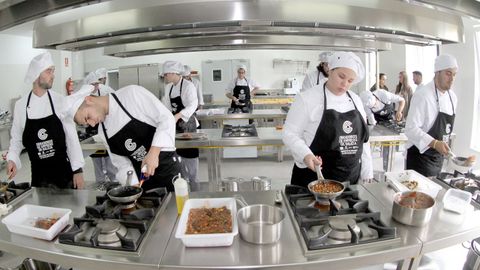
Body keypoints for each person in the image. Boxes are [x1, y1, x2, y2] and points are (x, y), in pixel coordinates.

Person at [283, 52, 373, 187]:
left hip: (350, 179)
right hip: (314, 178)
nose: (344, 84)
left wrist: (367, 172)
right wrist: (305, 154)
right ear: (330, 70)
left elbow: (363, 140)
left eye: (350, 81)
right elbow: (289, 133)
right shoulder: (307, 98)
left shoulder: (356, 100)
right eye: (341, 76)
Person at [71, 84, 181, 191]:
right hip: (141, 179)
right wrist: (133, 187)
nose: (92, 124)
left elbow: (167, 119)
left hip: (166, 168)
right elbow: (122, 163)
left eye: (87, 117)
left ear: (89, 100)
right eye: (87, 124)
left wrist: (153, 153)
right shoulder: (103, 131)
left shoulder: (131, 94)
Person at [7, 52, 85, 189]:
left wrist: (78, 170)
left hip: (64, 176)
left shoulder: (60, 101)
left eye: (53, 71)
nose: (53, 75)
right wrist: (12, 159)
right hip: (39, 178)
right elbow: (17, 139)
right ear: (36, 75)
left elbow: (71, 137)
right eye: (49, 71)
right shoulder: (21, 106)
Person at [405, 54, 458, 177]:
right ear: (437, 72)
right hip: (420, 158)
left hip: (438, 158)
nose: (452, 79)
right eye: (448, 73)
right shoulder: (423, 95)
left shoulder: (453, 98)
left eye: (454, 74)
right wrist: (434, 143)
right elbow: (410, 129)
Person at [162, 61, 200, 189]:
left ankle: (194, 184)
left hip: (187, 124)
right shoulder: (168, 87)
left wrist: (178, 116)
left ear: (173, 73)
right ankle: (184, 183)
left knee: (190, 156)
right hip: (174, 125)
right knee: (178, 155)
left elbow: (193, 104)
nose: (165, 77)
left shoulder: (188, 86)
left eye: (166, 74)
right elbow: (166, 106)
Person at [84, 69, 118, 183]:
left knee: (108, 155)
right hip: (92, 130)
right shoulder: (83, 95)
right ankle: (100, 182)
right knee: (96, 158)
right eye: (93, 84)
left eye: (97, 84)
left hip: (104, 127)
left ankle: (113, 180)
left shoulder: (104, 91)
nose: (95, 86)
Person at [360, 90, 405, 172]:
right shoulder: (366, 106)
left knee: (389, 146)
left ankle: (387, 168)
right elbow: (372, 121)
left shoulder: (383, 95)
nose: (375, 108)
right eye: (373, 108)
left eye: (375, 105)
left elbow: (402, 100)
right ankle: (372, 168)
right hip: (379, 123)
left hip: (390, 120)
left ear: (376, 99)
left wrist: (399, 111)